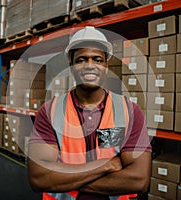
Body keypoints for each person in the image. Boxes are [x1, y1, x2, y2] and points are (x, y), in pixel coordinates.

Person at [27, 26, 152, 200]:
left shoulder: (129, 111)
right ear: (71, 66)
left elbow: (139, 180)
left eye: (98, 60)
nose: (90, 66)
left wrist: (64, 178)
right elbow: (38, 177)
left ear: (106, 66)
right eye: (81, 60)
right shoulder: (50, 111)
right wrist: (106, 166)